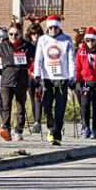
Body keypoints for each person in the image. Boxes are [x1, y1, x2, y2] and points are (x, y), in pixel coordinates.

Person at [33, 15, 75, 144]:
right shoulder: (43, 40)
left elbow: (71, 60)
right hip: (47, 78)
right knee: (47, 106)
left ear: (59, 28)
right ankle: (50, 127)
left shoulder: (66, 40)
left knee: (60, 108)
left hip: (62, 78)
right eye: (50, 28)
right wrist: (37, 75)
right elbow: (38, 59)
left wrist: (72, 76)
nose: (53, 30)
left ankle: (56, 134)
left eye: (55, 28)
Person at [0, 22, 35, 142]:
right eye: (11, 34)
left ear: (20, 34)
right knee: (5, 106)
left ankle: (19, 130)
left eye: (16, 34)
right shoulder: (3, 46)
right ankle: (6, 128)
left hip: (21, 80)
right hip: (6, 80)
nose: (13, 37)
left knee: (20, 107)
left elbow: (37, 57)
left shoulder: (27, 46)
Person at [25, 21, 45, 133]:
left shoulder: (43, 45)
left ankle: (38, 121)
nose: (35, 36)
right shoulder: (27, 46)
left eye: (37, 34)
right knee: (32, 98)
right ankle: (35, 119)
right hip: (29, 75)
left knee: (38, 97)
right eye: (33, 34)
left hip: (40, 75)